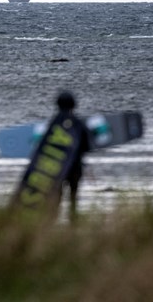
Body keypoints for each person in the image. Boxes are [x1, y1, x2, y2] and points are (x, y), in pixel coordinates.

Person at [53, 91, 91, 219]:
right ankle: (73, 222)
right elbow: (86, 146)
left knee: (57, 197)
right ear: (73, 105)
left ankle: (52, 222)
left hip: (59, 167)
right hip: (75, 167)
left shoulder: (53, 124)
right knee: (73, 197)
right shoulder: (78, 123)